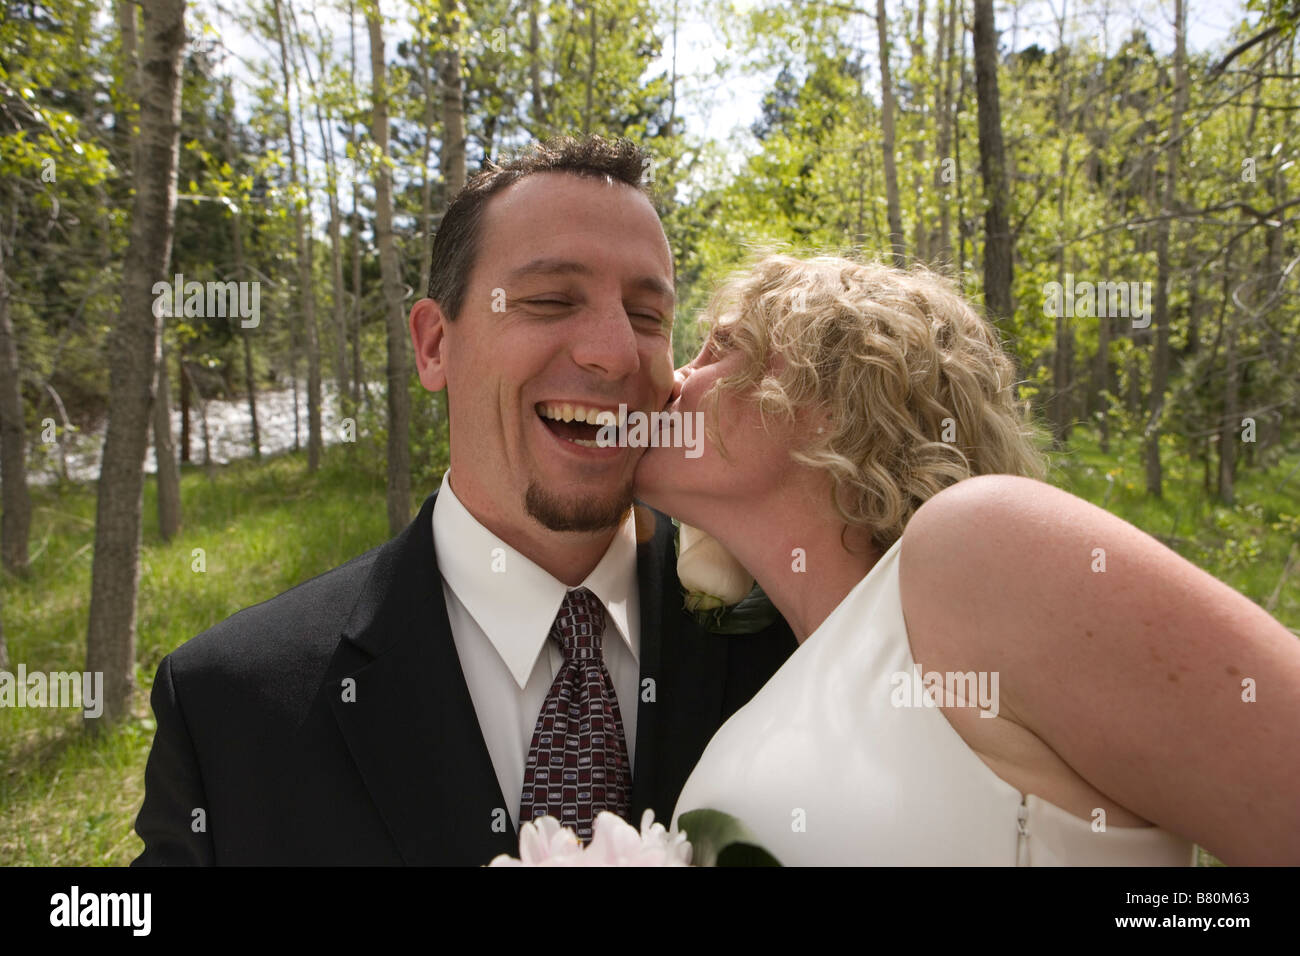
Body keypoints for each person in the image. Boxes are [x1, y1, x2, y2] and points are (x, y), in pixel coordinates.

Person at [131, 136, 796, 866]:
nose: (614, 352)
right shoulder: (232, 707)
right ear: (434, 345)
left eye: (647, 316)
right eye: (548, 300)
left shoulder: (791, 643)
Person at [635, 254, 1300, 865]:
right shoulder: (767, 691)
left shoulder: (976, 547)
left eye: (722, 347)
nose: (674, 378)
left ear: (833, 398)